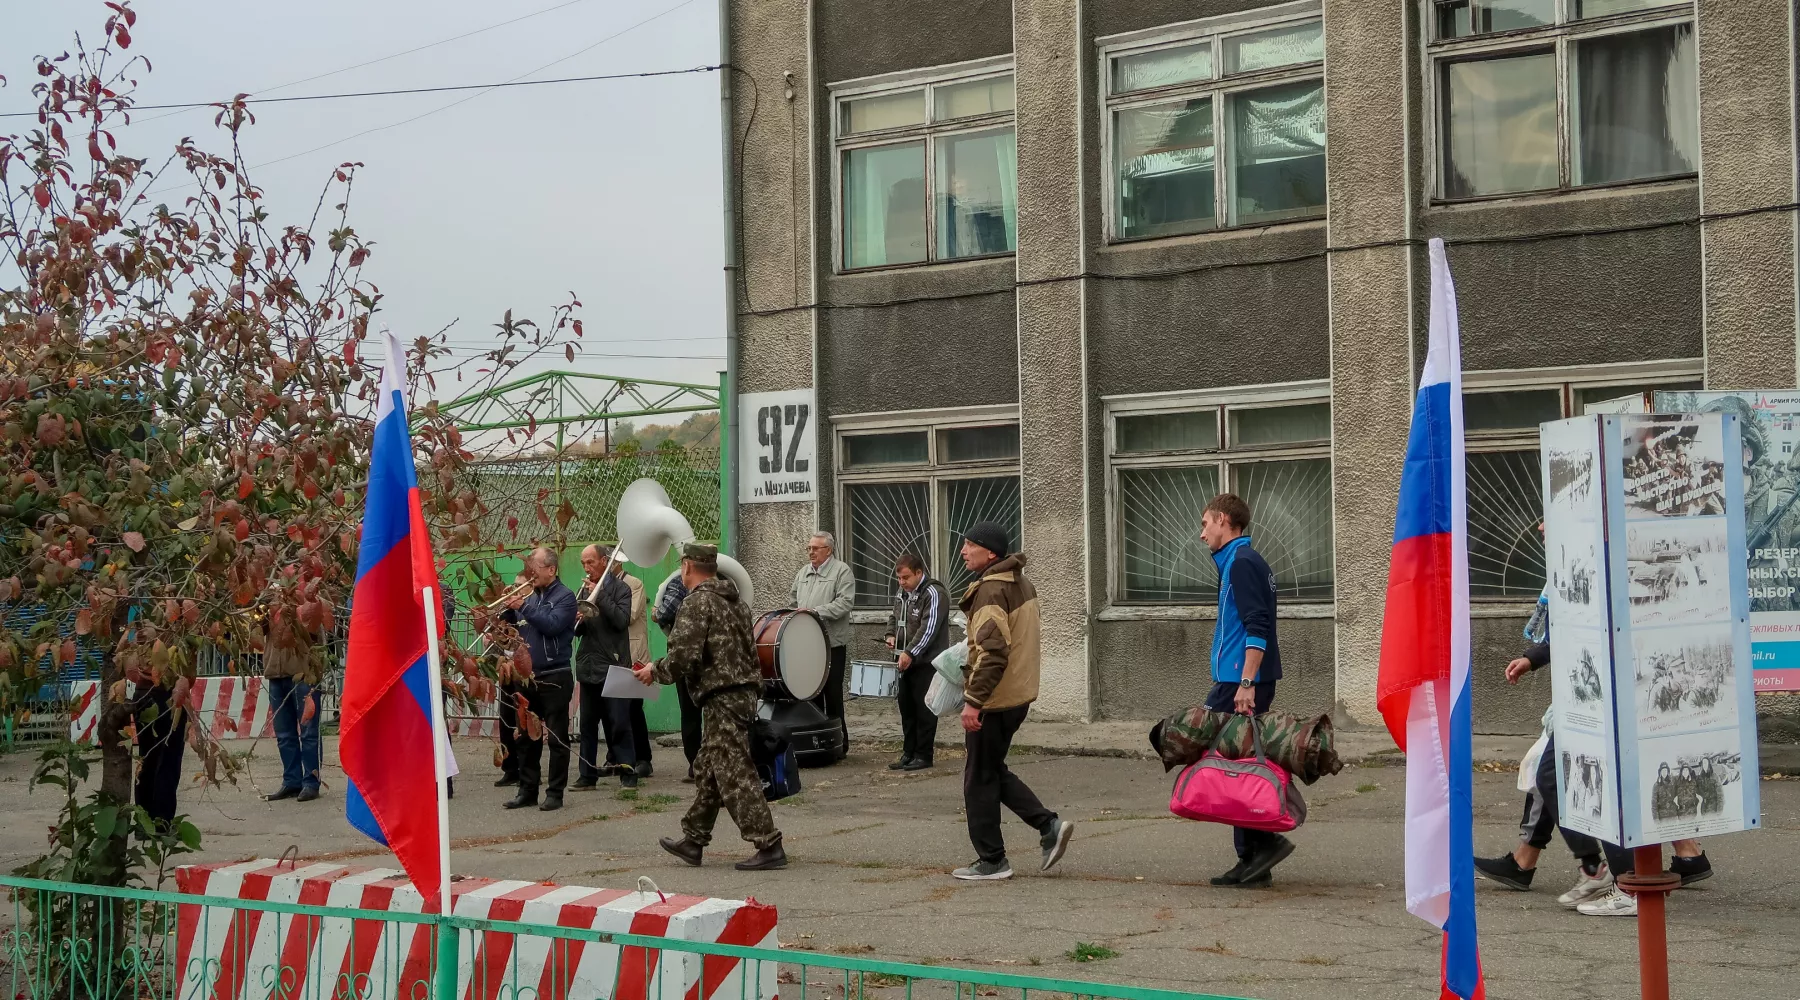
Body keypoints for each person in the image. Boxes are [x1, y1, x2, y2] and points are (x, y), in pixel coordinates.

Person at [634, 544, 787, 871]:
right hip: (741, 693)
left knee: (734, 770)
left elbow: (684, 657)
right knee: (709, 767)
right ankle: (694, 840)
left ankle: (768, 843)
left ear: (687, 566)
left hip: (721, 696)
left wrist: (653, 671)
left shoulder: (696, 603)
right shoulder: (736, 602)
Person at [952, 521, 1074, 882]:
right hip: (1017, 695)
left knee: (978, 779)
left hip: (995, 699)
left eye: (969, 545)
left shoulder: (991, 590)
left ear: (990, 553)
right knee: (991, 769)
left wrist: (973, 701)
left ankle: (992, 860)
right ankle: (1048, 826)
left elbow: (993, 653)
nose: (963, 550)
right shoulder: (1020, 582)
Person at [1198, 493, 1291, 888]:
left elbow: (1257, 625)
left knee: (1228, 766)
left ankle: (1260, 846)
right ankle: (1255, 857)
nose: (1202, 534)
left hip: (1241, 683)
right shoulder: (1240, 561)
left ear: (1222, 519)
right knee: (1235, 765)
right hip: (1236, 680)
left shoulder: (1242, 563)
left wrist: (1247, 684)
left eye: (1205, 524)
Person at [501, 547, 577, 812]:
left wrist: (523, 606)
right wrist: (507, 614)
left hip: (555, 675)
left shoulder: (566, 597)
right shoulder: (530, 596)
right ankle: (527, 790)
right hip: (527, 677)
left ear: (552, 570)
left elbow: (552, 625)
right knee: (524, 736)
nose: (530, 575)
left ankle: (555, 793)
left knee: (556, 738)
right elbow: (520, 629)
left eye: (535, 569)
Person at [572, 544, 639, 790]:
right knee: (588, 724)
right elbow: (577, 631)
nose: (586, 568)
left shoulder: (621, 589)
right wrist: (577, 619)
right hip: (589, 664)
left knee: (619, 722)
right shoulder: (582, 588)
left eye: (590, 562)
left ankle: (628, 773)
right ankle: (587, 775)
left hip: (614, 663)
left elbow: (621, 621)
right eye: (583, 564)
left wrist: (599, 595)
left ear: (603, 561)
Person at [883, 553, 949, 771]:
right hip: (905, 659)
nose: (902, 583)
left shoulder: (934, 592)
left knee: (925, 710)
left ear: (919, 573)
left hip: (926, 662)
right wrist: (890, 635)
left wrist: (910, 652)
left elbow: (928, 629)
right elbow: (894, 616)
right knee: (906, 708)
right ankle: (908, 753)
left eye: (906, 578)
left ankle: (924, 754)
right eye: (899, 579)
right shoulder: (903, 592)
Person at [793, 532, 854, 757]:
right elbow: (793, 600)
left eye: (815, 548)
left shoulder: (841, 571)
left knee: (832, 694)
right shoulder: (804, 572)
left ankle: (840, 743)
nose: (811, 552)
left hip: (832, 644)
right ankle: (817, 743)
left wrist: (816, 612)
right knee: (811, 694)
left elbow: (845, 603)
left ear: (828, 550)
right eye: (809, 548)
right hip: (808, 643)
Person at [262, 635, 321, 803]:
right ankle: (292, 781)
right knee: (283, 734)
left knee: (308, 732)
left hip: (304, 671)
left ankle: (311, 781)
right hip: (275, 671)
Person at [655, 571, 701, 781]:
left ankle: (695, 765)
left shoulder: (678, 582)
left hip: (686, 658)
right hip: (713, 661)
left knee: (690, 713)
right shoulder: (724, 582)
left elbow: (664, 614)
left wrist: (656, 612)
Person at [618, 558, 655, 777]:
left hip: (633, 653)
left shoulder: (634, 584)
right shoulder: (598, 585)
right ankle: (618, 757)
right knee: (613, 710)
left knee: (633, 708)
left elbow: (629, 616)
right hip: (610, 653)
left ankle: (643, 758)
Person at [494, 572, 530, 791]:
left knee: (522, 721)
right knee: (505, 719)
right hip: (506, 668)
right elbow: (500, 636)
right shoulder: (509, 610)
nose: (514, 588)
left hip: (523, 669)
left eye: (519, 585)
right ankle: (510, 769)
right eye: (513, 585)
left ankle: (525, 769)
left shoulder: (531, 608)